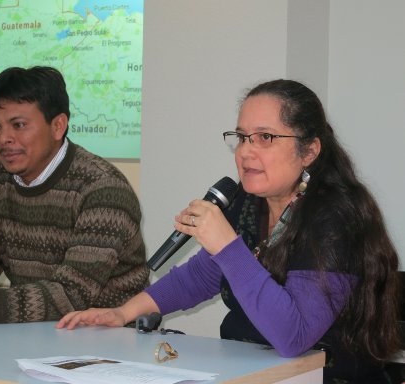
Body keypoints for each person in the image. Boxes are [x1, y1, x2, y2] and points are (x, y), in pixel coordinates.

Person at [57, 79, 400, 383]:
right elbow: (200, 277)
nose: (246, 151)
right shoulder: (248, 203)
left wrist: (225, 243)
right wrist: (122, 313)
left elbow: (294, 337)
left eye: (265, 137)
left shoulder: (337, 217)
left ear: (309, 151)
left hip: (322, 375)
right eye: (241, 137)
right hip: (251, 370)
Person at [0, 66, 149, 324]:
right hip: (29, 332)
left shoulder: (103, 188)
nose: (4, 139)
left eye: (19, 125)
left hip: (108, 338)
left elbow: (71, 295)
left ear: (58, 126)